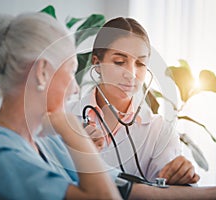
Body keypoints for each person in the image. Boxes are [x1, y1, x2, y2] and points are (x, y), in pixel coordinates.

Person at [0, 12, 216, 200]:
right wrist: (73, 130)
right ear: (42, 73)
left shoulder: (43, 144)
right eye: (70, 70)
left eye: (141, 63)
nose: (76, 87)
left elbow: (130, 190)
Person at [67, 17, 199, 185]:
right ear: (97, 64)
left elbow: (167, 188)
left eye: (140, 63)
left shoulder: (160, 132)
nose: (131, 73)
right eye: (119, 62)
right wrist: (74, 156)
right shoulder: (64, 119)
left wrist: (181, 175)